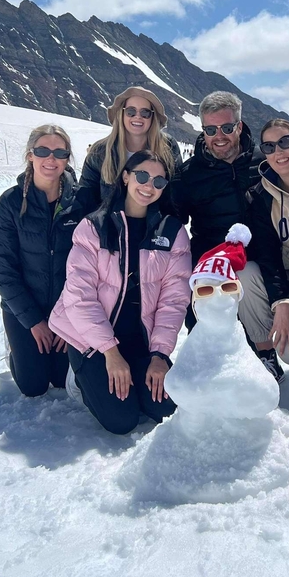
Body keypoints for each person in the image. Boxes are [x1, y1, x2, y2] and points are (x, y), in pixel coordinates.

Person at [49, 150, 191, 434]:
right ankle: (80, 377)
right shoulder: (93, 227)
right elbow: (79, 297)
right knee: (121, 421)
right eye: (142, 176)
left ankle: (131, 375)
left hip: (140, 341)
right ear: (126, 177)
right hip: (93, 341)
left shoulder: (173, 233)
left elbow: (173, 302)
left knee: (165, 408)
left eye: (159, 181)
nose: (149, 186)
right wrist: (111, 354)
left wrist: (160, 357)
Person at [168, 91, 284, 380]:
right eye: (210, 130)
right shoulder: (189, 175)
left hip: (263, 262)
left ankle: (266, 353)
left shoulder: (265, 163)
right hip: (211, 267)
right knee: (208, 333)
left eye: (227, 128)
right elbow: (168, 222)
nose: (219, 136)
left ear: (240, 126)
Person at [0, 125, 81, 396]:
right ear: (30, 155)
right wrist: (32, 321)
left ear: (67, 158)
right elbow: (3, 269)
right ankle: (15, 346)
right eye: (42, 151)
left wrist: (68, 319)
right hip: (25, 308)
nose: (50, 159)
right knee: (34, 385)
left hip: (67, 309)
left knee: (63, 380)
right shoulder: (11, 202)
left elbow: (90, 267)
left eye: (59, 152)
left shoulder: (81, 202)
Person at [245, 119, 289, 364]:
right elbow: (268, 254)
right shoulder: (261, 196)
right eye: (269, 147)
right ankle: (267, 355)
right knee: (245, 273)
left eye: (284, 142)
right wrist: (282, 302)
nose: (278, 151)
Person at [77, 87, 181, 214]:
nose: (138, 117)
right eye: (131, 111)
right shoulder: (100, 152)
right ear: (121, 114)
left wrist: (170, 228)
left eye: (145, 113)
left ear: (152, 117)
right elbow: (85, 199)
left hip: (154, 229)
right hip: (109, 230)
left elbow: (176, 194)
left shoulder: (168, 146)